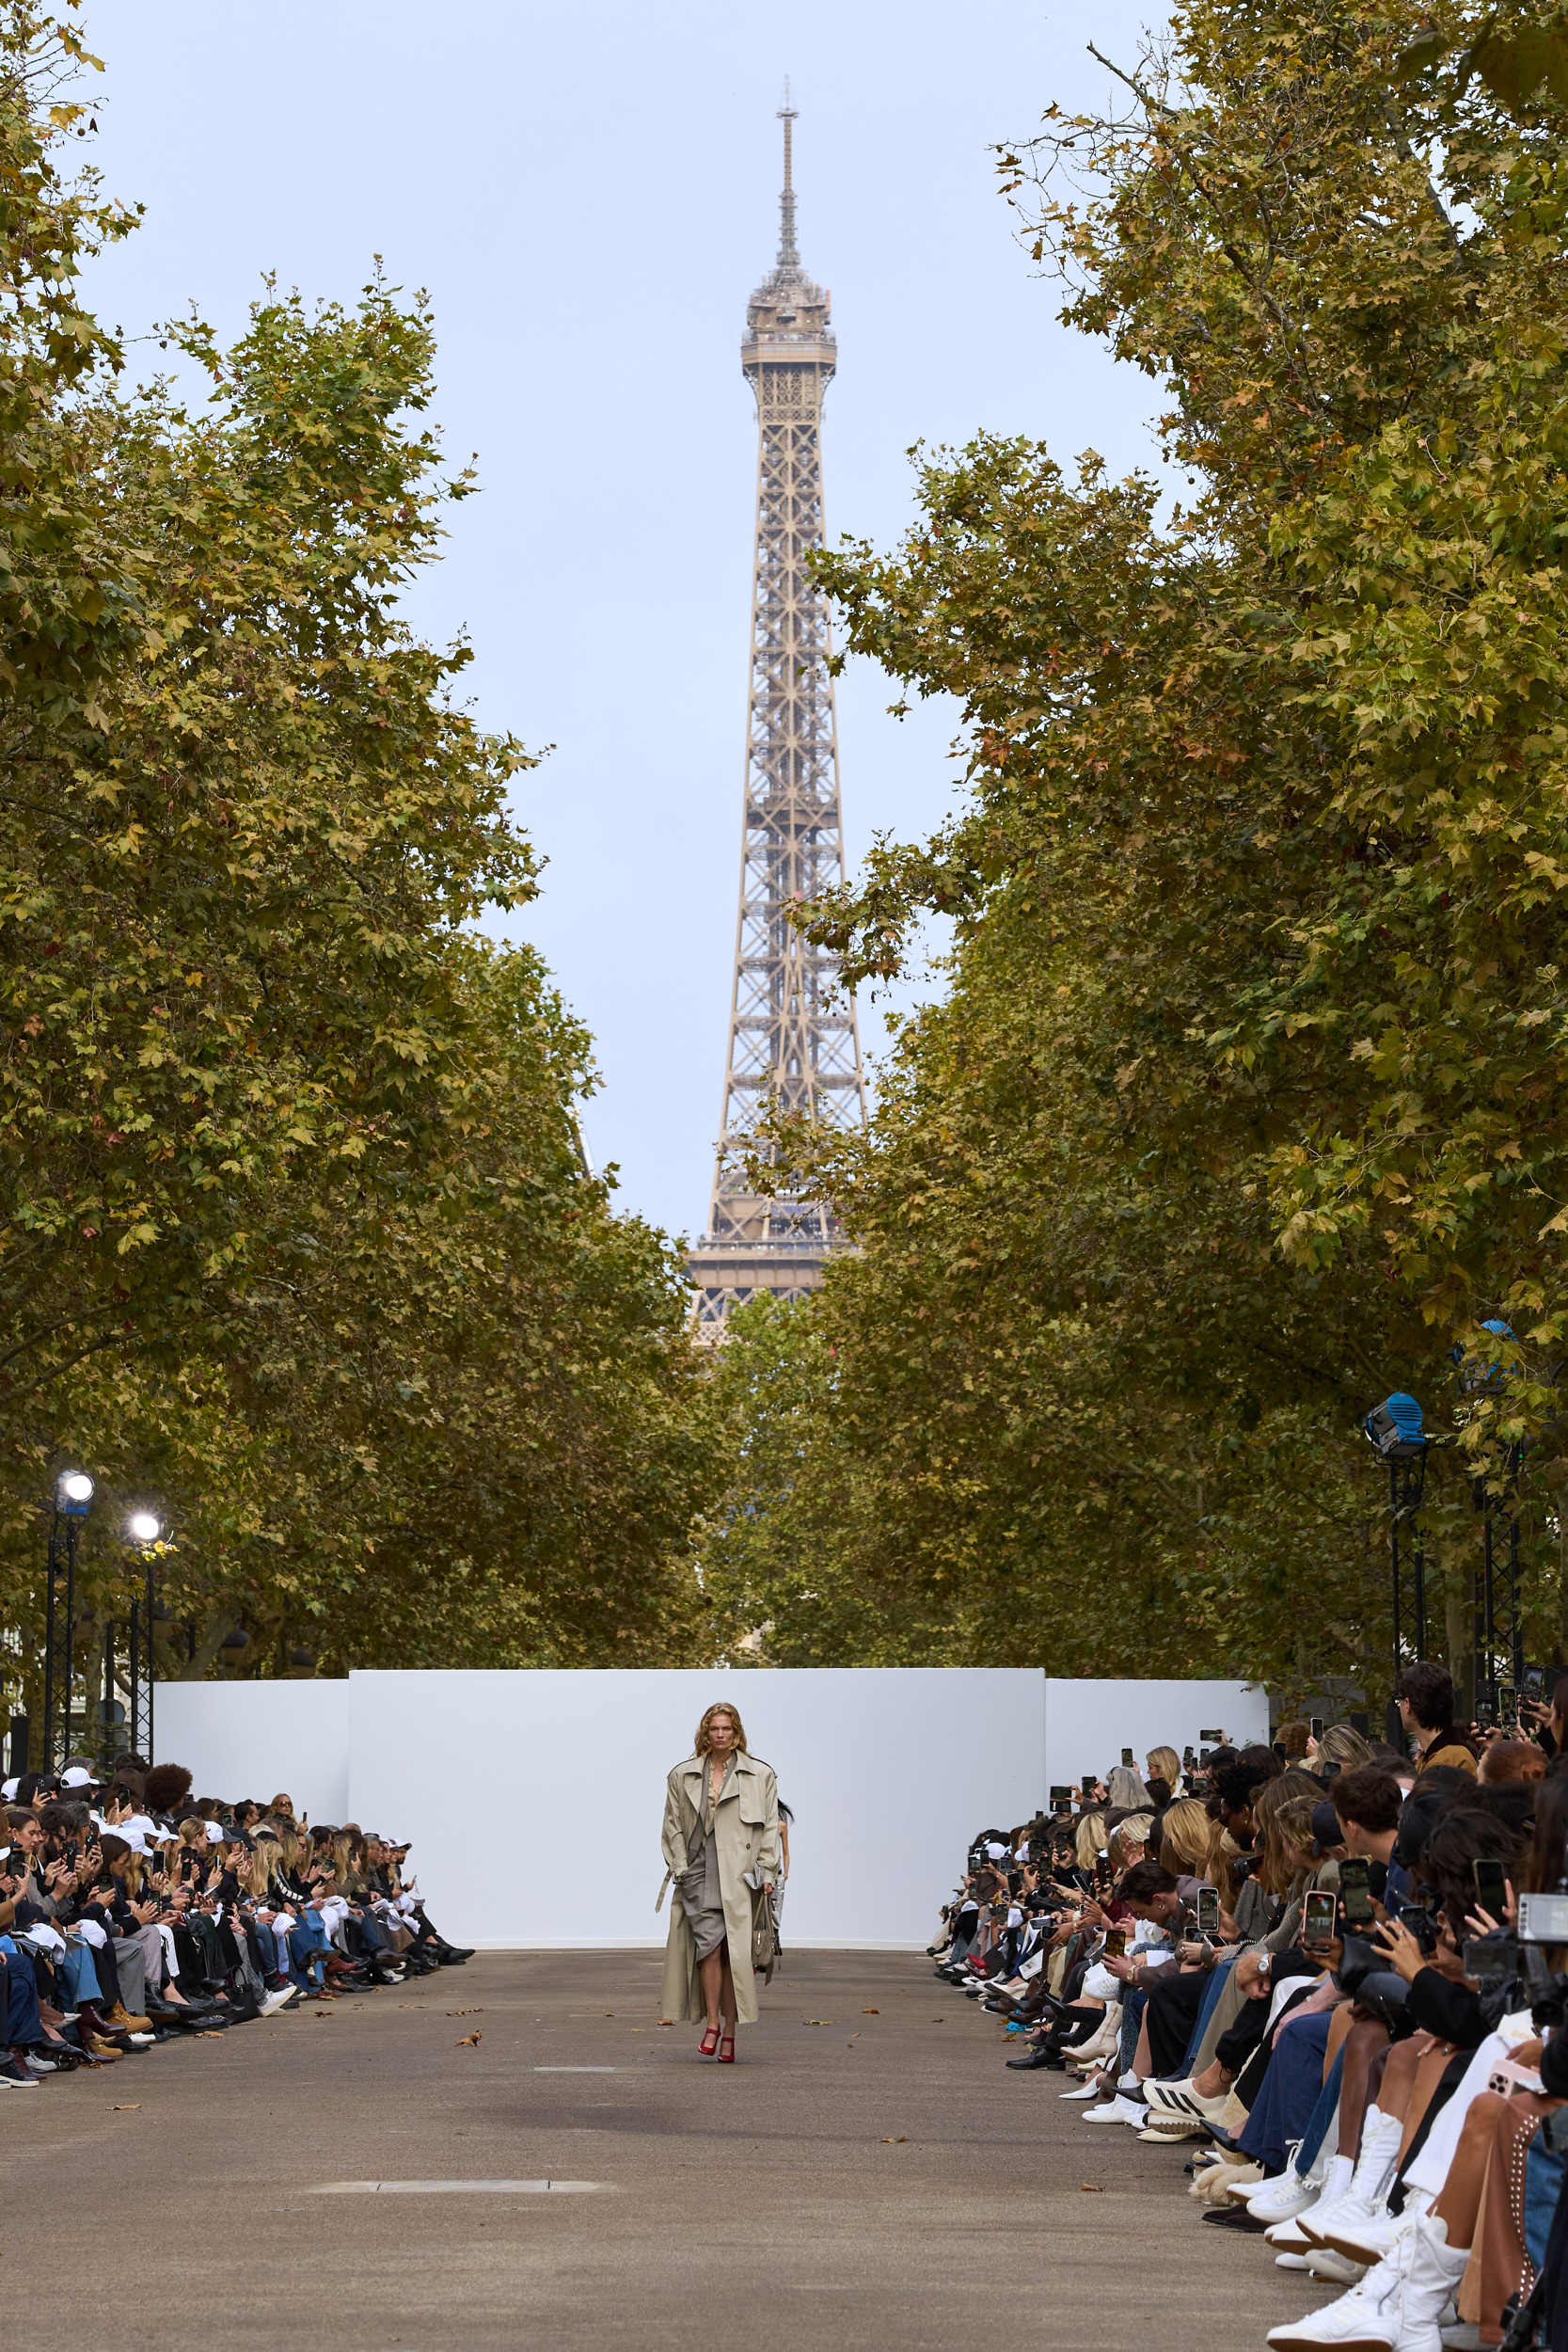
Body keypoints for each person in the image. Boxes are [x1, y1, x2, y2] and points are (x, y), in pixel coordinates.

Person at [658, 1701, 779, 2065]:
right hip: (698, 1870)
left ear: (737, 1732)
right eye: (715, 1729)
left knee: (734, 1956)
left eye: (727, 1729)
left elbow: (769, 1827)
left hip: (740, 1875)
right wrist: (680, 1865)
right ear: (705, 1733)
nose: (721, 1735)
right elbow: (672, 1825)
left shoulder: (761, 1775)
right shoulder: (683, 1775)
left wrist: (767, 1872)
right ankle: (713, 2023)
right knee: (708, 1950)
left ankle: (730, 2032)